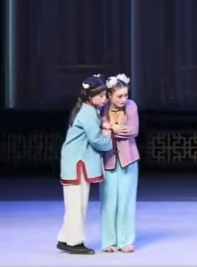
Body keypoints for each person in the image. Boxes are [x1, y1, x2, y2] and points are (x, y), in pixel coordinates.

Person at [57, 75, 114, 255]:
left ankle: (66, 238)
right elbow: (97, 140)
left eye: (105, 95)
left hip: (75, 162)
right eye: (101, 95)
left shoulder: (87, 109)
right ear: (90, 96)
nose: (104, 99)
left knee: (74, 204)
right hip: (78, 164)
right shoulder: (88, 113)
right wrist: (108, 134)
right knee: (77, 205)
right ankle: (74, 242)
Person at [100, 73, 140, 253]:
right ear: (109, 95)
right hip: (108, 160)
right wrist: (108, 127)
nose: (123, 99)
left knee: (126, 201)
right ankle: (109, 241)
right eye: (119, 96)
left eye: (126, 95)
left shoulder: (131, 106)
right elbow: (98, 130)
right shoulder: (102, 107)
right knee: (109, 202)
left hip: (128, 158)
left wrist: (110, 128)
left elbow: (132, 130)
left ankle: (125, 240)